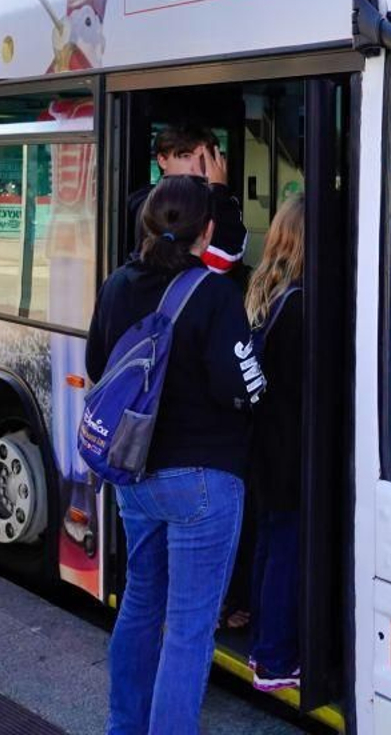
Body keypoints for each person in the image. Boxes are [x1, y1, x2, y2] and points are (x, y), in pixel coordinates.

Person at [88, 176, 267, 735]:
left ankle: (125, 728)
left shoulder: (117, 284)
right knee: (189, 629)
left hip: (134, 474)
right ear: (207, 231)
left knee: (140, 603)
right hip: (202, 484)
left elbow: (98, 363)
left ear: (148, 225)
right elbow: (243, 386)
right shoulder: (214, 294)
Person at [244, 196, 306, 692]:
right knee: (287, 546)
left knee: (271, 539)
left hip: (264, 444)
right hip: (290, 449)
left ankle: (264, 645)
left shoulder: (265, 288)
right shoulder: (303, 303)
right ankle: (276, 656)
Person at [127, 124, 246, 273]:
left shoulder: (209, 199)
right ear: (162, 160)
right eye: (186, 156)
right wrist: (219, 191)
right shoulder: (150, 203)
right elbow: (222, 259)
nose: (195, 168)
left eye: (203, 158)